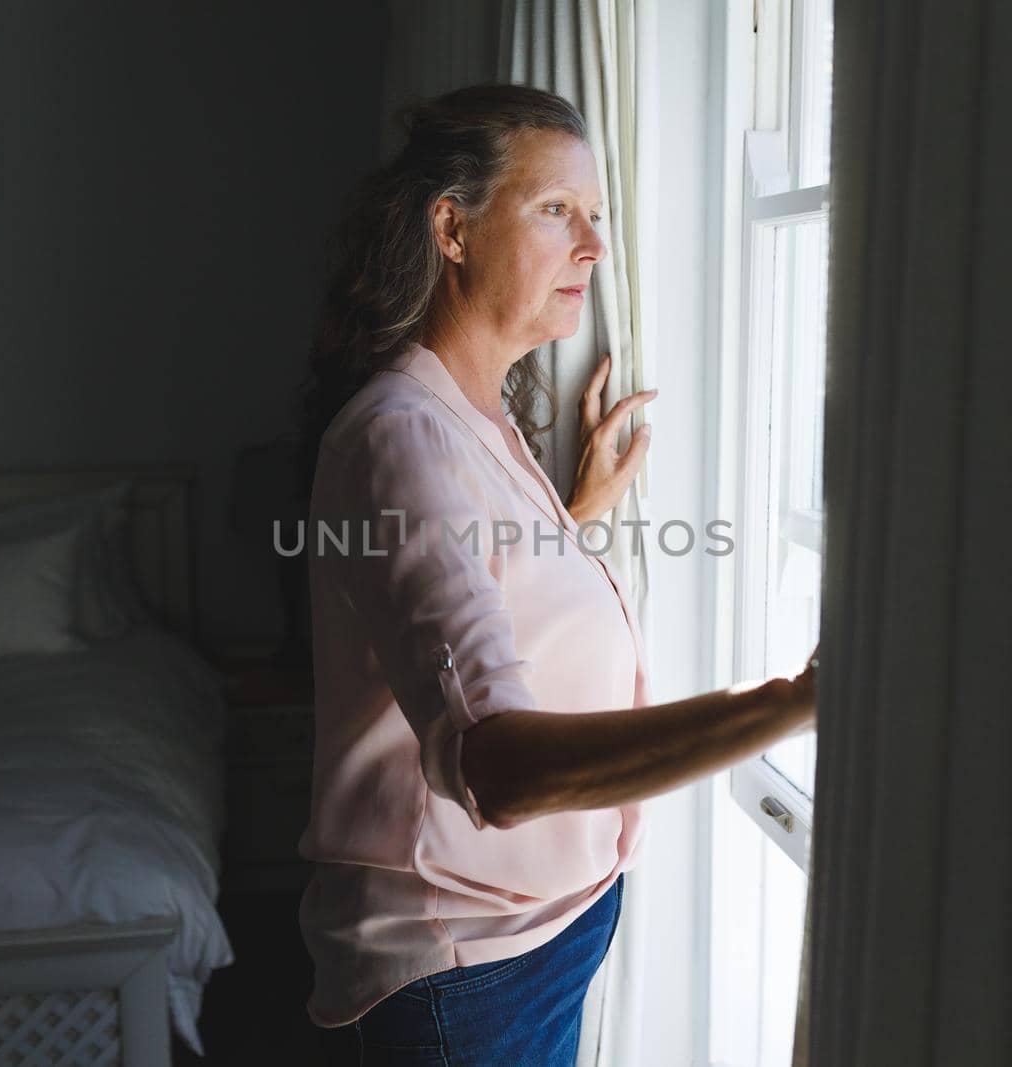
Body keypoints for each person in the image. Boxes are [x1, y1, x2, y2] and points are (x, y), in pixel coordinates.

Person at [295, 84, 818, 1066]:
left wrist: (568, 518)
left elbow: (454, 592)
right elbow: (497, 764)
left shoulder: (472, 413)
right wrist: (794, 701)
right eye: (555, 210)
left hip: (538, 933)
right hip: (468, 964)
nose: (595, 247)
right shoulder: (401, 436)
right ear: (452, 227)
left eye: (599, 216)